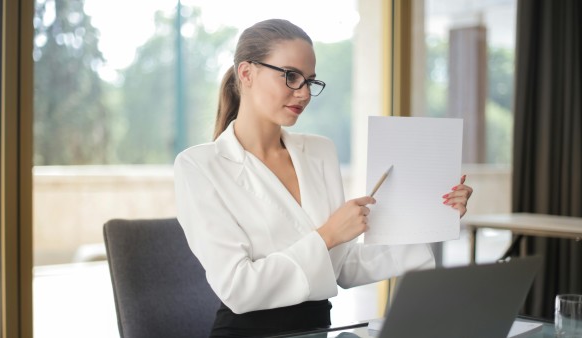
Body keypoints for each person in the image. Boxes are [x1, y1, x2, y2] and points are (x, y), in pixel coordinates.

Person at [174, 18, 473, 337]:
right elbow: (239, 288)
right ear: (246, 73)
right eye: (291, 77)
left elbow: (343, 266)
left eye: (310, 81)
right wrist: (328, 234)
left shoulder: (319, 152)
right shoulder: (199, 166)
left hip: (317, 330)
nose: (303, 94)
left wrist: (433, 218)